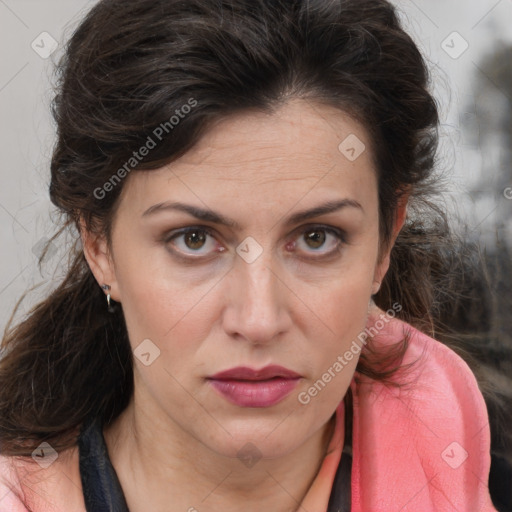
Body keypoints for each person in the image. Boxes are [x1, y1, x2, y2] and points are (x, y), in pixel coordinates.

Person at [0, 0, 499, 510]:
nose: (259, 321)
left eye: (316, 238)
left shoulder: (454, 445)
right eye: (193, 239)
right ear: (98, 245)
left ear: (385, 240)